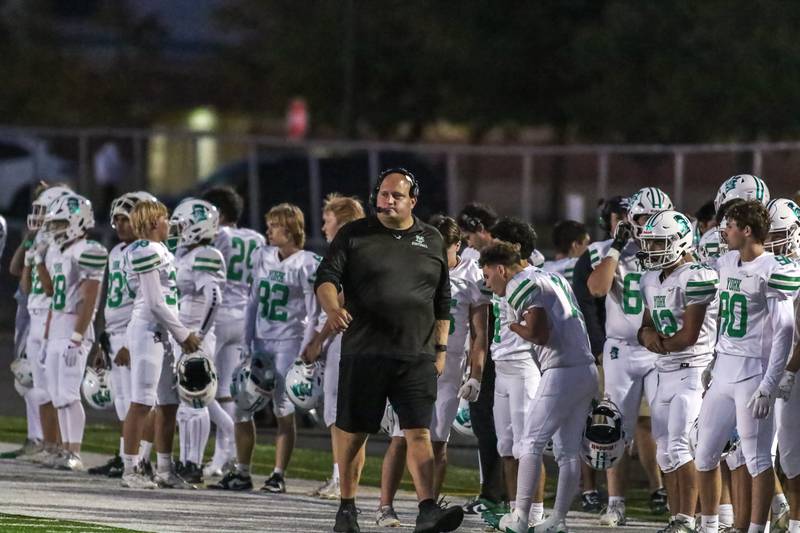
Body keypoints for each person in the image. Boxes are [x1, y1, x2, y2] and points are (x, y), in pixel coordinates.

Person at [315, 168, 463, 533]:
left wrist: (440, 349)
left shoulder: (430, 239)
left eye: (396, 195)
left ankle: (427, 508)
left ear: (413, 200)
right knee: (355, 432)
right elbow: (326, 278)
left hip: (416, 352)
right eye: (383, 194)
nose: (387, 200)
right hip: (365, 350)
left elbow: (442, 299)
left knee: (418, 431)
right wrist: (333, 309)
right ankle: (347, 507)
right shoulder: (355, 234)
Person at [376, 215, 490, 527]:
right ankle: (385, 506)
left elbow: (481, 332)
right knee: (401, 437)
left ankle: (428, 512)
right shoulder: (414, 268)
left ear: (458, 245)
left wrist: (476, 374)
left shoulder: (472, 277)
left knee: (438, 441)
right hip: (415, 362)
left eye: (443, 246)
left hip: (451, 366)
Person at [481, 241, 598, 533]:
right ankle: (558, 520)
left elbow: (539, 334)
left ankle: (520, 517)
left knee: (530, 442)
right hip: (585, 368)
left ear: (500, 269)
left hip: (561, 371)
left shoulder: (518, 284)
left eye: (487, 275)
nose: (487, 282)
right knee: (568, 451)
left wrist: (512, 325)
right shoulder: (552, 276)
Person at [694, 200, 796, 533]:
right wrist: (713, 358)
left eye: (730, 225)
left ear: (747, 230)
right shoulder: (725, 261)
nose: (724, 231)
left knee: (757, 460)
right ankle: (709, 525)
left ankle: (756, 530)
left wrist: (769, 384)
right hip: (723, 370)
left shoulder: (773, 268)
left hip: (754, 372)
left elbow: (784, 332)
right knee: (704, 454)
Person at [587, 187, 672, 525]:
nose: (648, 224)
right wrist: (619, 247)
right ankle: (616, 503)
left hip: (658, 351)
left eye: (654, 218)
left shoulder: (675, 252)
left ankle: (674, 502)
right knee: (614, 430)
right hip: (621, 349)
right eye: (641, 218)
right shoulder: (607, 251)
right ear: (630, 220)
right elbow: (597, 288)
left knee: (665, 429)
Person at [637, 210, 718, 532]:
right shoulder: (649, 279)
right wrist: (649, 338)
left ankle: (689, 518)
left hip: (693, 369)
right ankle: (676, 517)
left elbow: (689, 336)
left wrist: (656, 343)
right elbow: (643, 326)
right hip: (664, 370)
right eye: (650, 242)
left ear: (679, 241)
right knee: (666, 450)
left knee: (682, 445)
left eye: (659, 241)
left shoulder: (696, 275)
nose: (652, 248)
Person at [120, 199, 201, 489]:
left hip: (162, 330)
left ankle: (164, 469)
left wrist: (177, 332)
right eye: (165, 219)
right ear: (154, 222)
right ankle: (130, 469)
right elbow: (154, 301)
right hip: (148, 330)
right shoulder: (145, 249)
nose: (170, 224)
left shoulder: (160, 250)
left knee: (168, 403)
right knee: (142, 401)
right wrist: (183, 333)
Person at [243, 203, 322, 494]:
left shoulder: (307, 263)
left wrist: (306, 349)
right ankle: (241, 470)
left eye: (274, 225)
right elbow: (252, 302)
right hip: (261, 340)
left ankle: (278, 474)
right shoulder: (262, 256)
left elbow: (313, 312)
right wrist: (246, 341)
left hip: (289, 341)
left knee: (283, 409)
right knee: (244, 402)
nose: (268, 230)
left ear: (289, 230)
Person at [89, 191, 158, 478]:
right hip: (115, 332)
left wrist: (130, 342)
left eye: (125, 219)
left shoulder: (145, 251)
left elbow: (145, 299)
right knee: (121, 402)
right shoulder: (117, 252)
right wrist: (102, 338)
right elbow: (111, 299)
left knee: (141, 401)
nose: (118, 225)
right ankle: (124, 456)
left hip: (136, 333)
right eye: (115, 219)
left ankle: (143, 459)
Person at [303, 193, 366, 501]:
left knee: (339, 414)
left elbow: (339, 306)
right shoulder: (364, 250)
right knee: (346, 415)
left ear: (341, 223)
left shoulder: (347, 253)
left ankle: (342, 479)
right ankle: (340, 477)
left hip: (346, 340)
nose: (324, 226)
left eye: (328, 220)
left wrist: (317, 341)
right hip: (360, 339)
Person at [200, 186, 265, 483]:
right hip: (243, 317)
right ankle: (222, 457)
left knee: (195, 383)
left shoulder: (220, 236)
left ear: (219, 214)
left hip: (218, 314)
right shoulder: (256, 238)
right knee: (224, 390)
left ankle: (227, 432)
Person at [41, 193, 108, 470]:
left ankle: (74, 451)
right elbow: (52, 298)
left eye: (60, 223)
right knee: (57, 395)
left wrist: (78, 337)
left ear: (78, 222)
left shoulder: (88, 249)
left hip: (73, 327)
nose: (54, 229)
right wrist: (46, 336)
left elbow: (90, 299)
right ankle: (64, 450)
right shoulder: (60, 251)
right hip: (57, 325)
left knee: (68, 393)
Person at [171, 198, 226, 487]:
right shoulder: (186, 253)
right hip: (185, 332)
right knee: (185, 404)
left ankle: (193, 463)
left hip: (195, 334)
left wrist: (199, 336)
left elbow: (214, 298)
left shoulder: (206, 254)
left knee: (195, 401)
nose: (177, 230)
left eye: (182, 225)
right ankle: (186, 460)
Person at [457, 202, 506, 513]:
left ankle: (505, 496)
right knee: (485, 424)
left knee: (504, 427)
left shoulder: (513, 259)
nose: (466, 241)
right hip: (485, 346)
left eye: (468, 234)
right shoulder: (470, 259)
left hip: (506, 349)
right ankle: (493, 492)